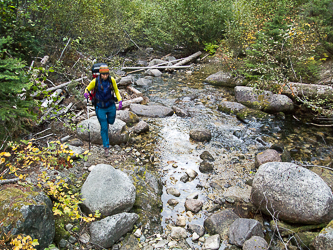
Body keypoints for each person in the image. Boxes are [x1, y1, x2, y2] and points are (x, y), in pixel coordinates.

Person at [84, 65, 122, 156]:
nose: (105, 76)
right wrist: (86, 93)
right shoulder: (95, 81)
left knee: (111, 121)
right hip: (100, 107)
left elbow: (116, 90)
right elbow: (87, 89)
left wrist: (120, 100)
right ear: (100, 74)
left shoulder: (111, 80)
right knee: (104, 127)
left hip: (110, 105)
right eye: (103, 74)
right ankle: (106, 147)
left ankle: (107, 123)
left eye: (106, 74)